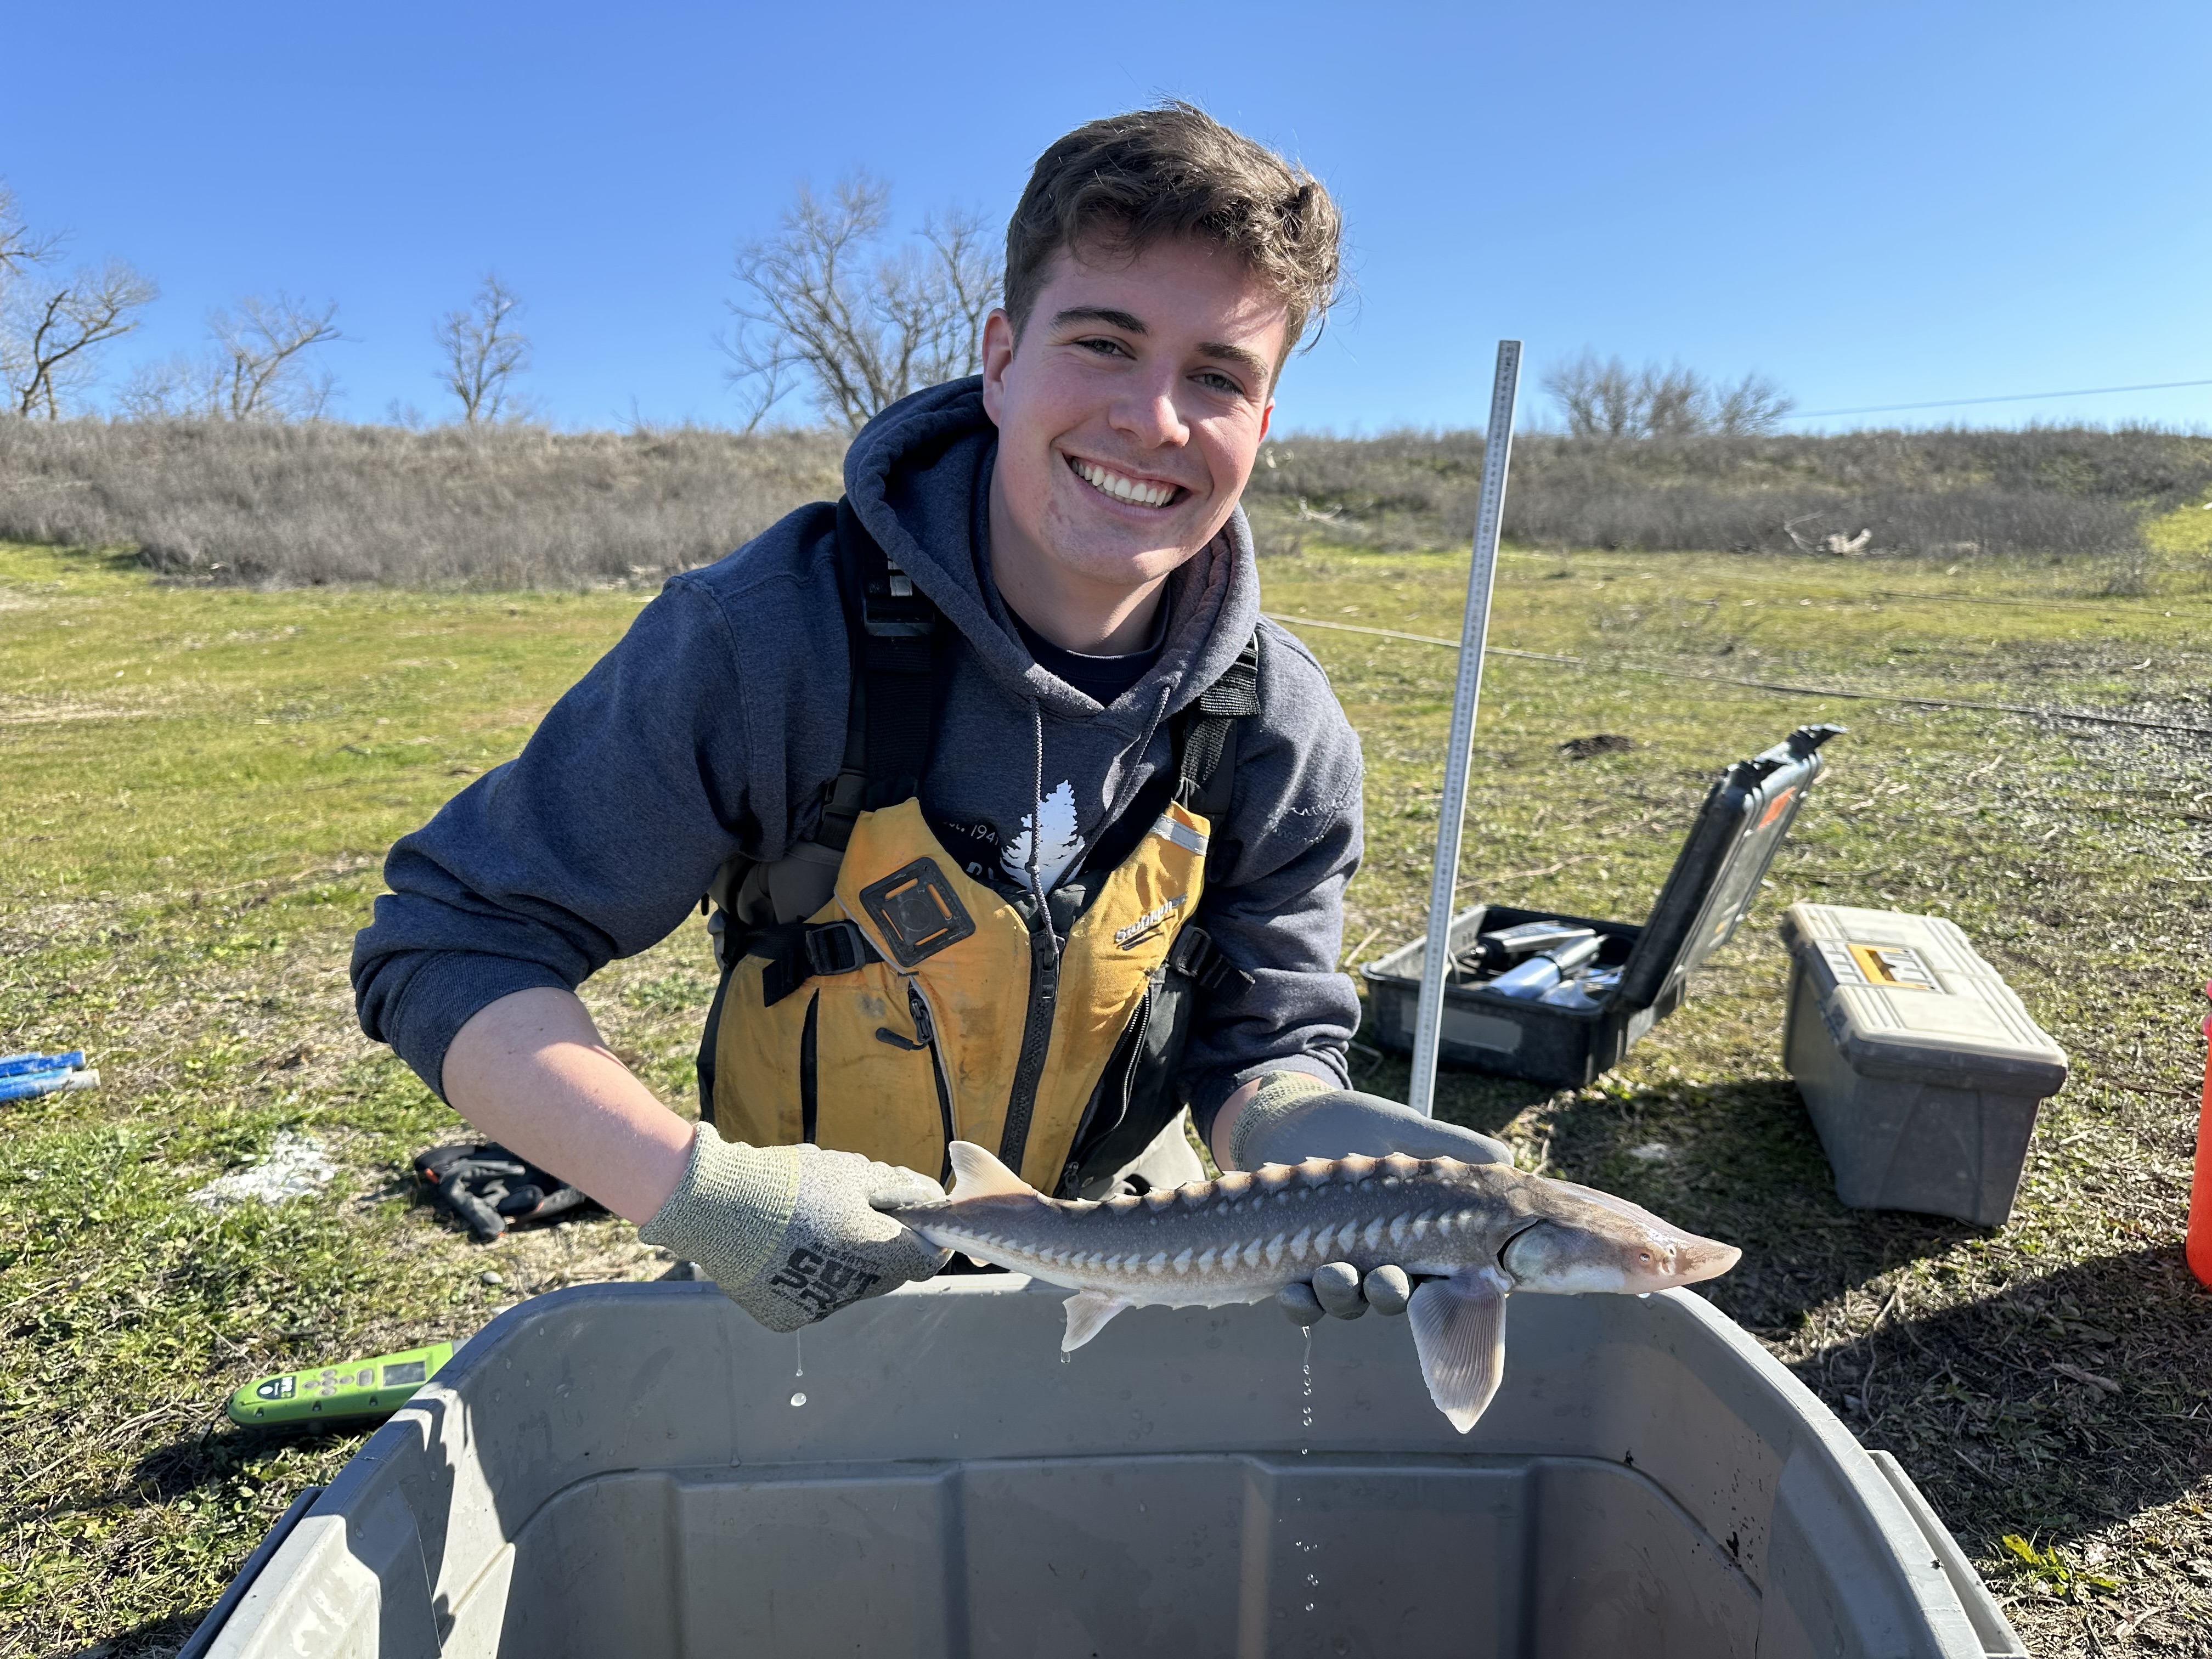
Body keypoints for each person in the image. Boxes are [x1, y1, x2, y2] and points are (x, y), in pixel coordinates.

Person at [351, 103, 1508, 1339]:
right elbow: (450, 940)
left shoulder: (1280, 728)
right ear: (1001, 360)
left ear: (1263, 426)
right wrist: (699, 1195)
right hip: (793, 1281)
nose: (1157, 419)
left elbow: (1262, 1041)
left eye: (1218, 376)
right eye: (1106, 342)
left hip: (1139, 1266)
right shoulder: (770, 644)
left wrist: (1331, 1155)